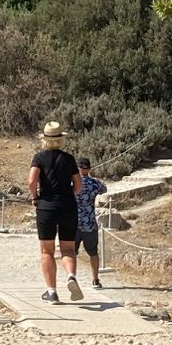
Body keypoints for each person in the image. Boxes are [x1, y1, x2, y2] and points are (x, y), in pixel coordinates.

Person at [28, 121, 83, 303]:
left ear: (44, 138)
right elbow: (79, 185)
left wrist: (35, 197)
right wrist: (69, 195)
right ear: (61, 139)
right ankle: (71, 276)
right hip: (68, 206)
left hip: (46, 207)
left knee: (47, 251)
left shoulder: (39, 158)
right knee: (68, 249)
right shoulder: (69, 158)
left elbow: (31, 180)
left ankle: (51, 292)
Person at [76, 156, 108, 288]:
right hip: (89, 223)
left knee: (70, 253)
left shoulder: (70, 183)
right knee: (93, 253)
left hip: (72, 224)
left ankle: (71, 277)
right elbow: (104, 188)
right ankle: (95, 279)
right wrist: (92, 176)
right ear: (89, 168)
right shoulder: (95, 184)